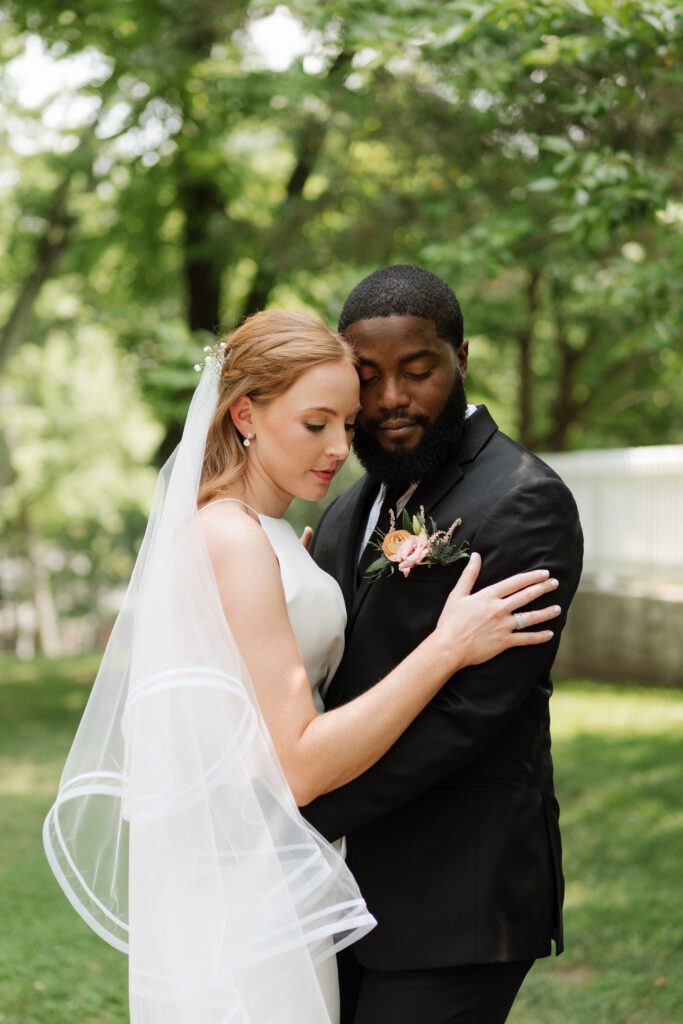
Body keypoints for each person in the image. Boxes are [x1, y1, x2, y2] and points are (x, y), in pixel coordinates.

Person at [43, 309, 562, 1024]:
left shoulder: (274, 533)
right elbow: (297, 767)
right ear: (245, 416)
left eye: (347, 424)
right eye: (315, 424)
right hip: (251, 891)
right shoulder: (234, 536)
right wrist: (446, 646)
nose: (339, 448)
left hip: (281, 875)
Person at [302, 266, 584, 1024]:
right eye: (367, 377)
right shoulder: (349, 506)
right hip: (339, 895)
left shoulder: (523, 499)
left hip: (458, 896)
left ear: (461, 358)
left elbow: (468, 713)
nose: (390, 398)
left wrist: (301, 811)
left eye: (417, 370)